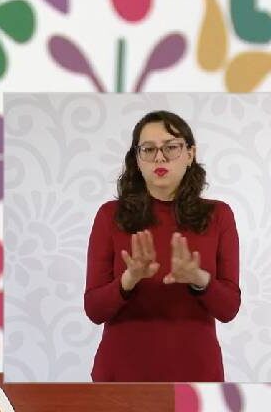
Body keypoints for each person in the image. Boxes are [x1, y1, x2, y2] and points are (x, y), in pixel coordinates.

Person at [84, 110, 240, 382]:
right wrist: (129, 279)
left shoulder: (219, 215)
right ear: (137, 159)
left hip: (196, 377)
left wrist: (198, 279)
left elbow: (229, 309)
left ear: (190, 154)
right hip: (120, 379)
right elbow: (94, 310)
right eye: (149, 149)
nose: (160, 157)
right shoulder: (110, 216)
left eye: (171, 147)